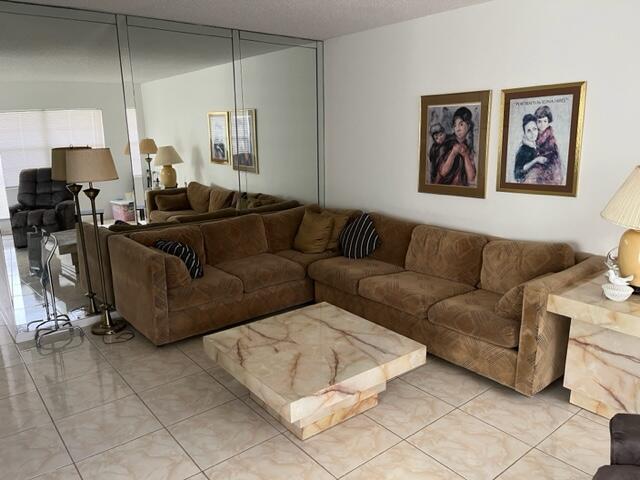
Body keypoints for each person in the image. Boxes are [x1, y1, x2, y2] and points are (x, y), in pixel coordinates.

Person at [433, 107, 476, 186]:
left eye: (461, 124)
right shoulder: (447, 143)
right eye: (455, 125)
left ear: (469, 125)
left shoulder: (468, 146)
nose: (457, 129)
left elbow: (471, 178)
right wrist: (453, 153)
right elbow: (442, 172)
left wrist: (465, 155)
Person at [522, 105, 563, 184]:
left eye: (545, 121)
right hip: (539, 162)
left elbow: (546, 154)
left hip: (549, 165)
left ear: (548, 122)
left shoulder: (550, 137)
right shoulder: (536, 133)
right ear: (536, 122)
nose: (542, 124)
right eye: (539, 121)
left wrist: (532, 146)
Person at [513, 114, 540, 182]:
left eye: (534, 129)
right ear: (525, 133)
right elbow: (517, 174)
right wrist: (535, 160)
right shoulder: (523, 150)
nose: (533, 133)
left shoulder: (538, 146)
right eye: (529, 131)